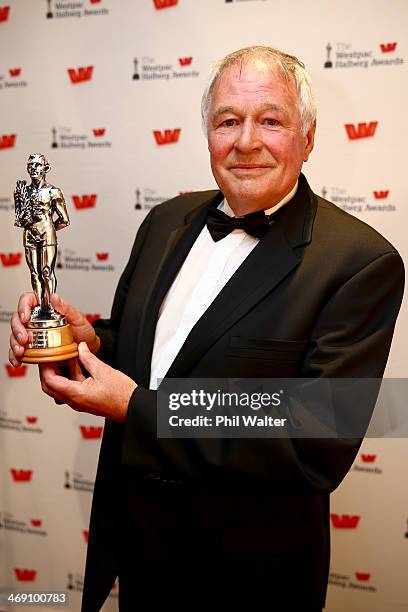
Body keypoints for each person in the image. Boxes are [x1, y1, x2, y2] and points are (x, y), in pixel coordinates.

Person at [9, 46, 405, 610]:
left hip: (248, 580)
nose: (246, 141)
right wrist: (89, 342)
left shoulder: (360, 263)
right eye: (227, 122)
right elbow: (149, 358)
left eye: (270, 120)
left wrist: (135, 408)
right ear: (208, 135)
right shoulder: (167, 221)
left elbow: (313, 443)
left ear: (308, 137)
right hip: (140, 556)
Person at [14, 153, 70, 319]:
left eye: (37, 165)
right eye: (30, 165)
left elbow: (64, 220)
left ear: (46, 168)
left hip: (47, 235)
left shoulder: (54, 192)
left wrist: (50, 230)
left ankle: (50, 306)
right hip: (29, 235)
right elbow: (20, 218)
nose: (33, 168)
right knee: (34, 272)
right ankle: (40, 306)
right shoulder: (23, 191)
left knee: (47, 271)